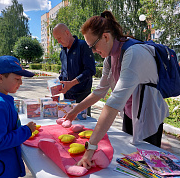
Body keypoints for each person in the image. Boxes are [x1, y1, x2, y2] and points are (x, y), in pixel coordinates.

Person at [64, 10, 169, 169]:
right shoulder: (110, 58)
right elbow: (100, 91)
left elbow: (113, 102)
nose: (93, 51)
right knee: (131, 159)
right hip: (130, 112)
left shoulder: (133, 53)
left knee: (148, 166)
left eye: (93, 46)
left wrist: (90, 148)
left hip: (149, 115)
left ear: (105, 36)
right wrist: (74, 111)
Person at [52, 23, 96, 116]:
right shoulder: (62, 52)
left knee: (82, 123)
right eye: (56, 39)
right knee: (68, 122)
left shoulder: (83, 45)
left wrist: (72, 83)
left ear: (67, 33)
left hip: (82, 95)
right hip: (68, 95)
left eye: (59, 38)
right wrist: (56, 85)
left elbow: (90, 70)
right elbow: (64, 72)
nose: (58, 41)